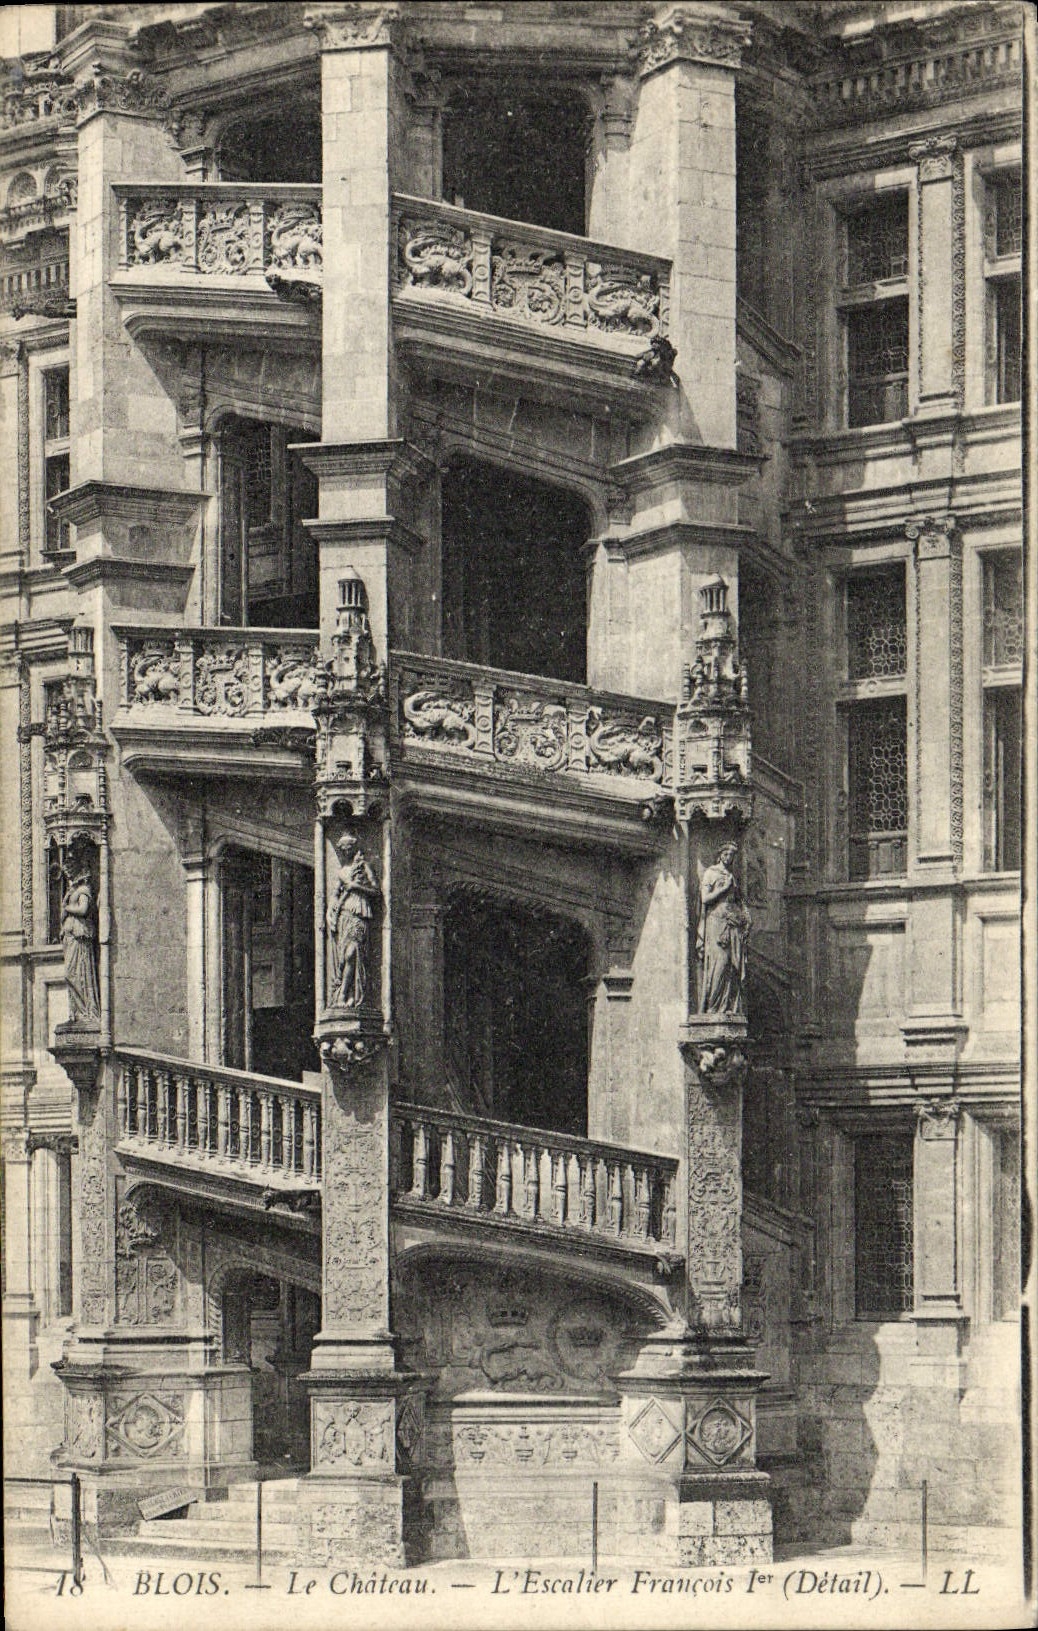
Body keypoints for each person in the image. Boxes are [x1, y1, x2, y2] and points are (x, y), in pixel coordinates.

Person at [696, 842, 751, 1015]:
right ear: (720, 855)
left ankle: (727, 1007)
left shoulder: (731, 876)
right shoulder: (711, 873)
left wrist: (745, 918)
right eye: (726, 854)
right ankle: (712, 1007)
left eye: (732, 856)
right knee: (720, 963)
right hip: (716, 922)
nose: (729, 858)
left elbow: (739, 901)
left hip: (732, 923)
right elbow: (705, 898)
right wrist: (724, 889)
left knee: (731, 967)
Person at [327, 833, 379, 1008]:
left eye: (348, 848)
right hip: (344, 915)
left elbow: (376, 891)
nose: (345, 851)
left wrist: (356, 886)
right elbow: (335, 895)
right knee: (343, 958)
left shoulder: (364, 866)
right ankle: (345, 994)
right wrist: (331, 911)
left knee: (352, 954)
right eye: (343, 849)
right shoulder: (342, 872)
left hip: (360, 913)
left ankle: (348, 996)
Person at [61, 867, 101, 1023]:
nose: (68, 874)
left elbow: (83, 909)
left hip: (80, 935)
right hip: (70, 937)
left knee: (78, 973)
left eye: (71, 870)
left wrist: (67, 908)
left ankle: (86, 1012)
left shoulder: (84, 889)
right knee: (70, 974)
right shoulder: (72, 891)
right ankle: (77, 1013)